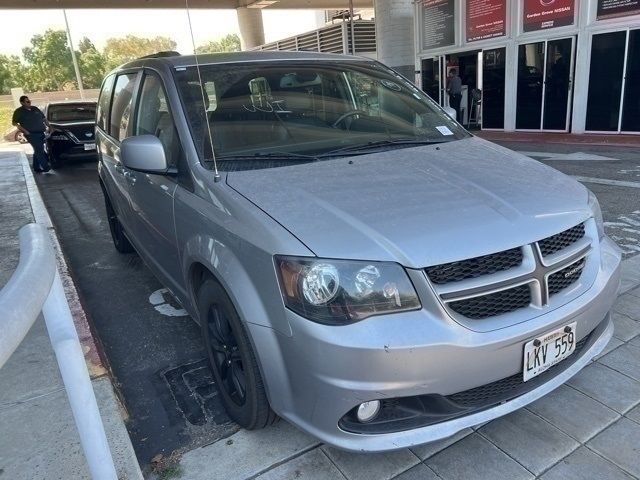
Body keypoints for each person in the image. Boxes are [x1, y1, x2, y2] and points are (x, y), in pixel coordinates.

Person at [12, 95, 50, 172]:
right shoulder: (18, 111)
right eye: (27, 101)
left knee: (38, 149)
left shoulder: (35, 109)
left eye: (29, 101)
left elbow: (44, 118)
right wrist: (25, 131)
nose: (29, 102)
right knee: (39, 149)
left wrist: (49, 126)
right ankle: (46, 167)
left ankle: (36, 167)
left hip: (41, 132)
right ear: (22, 102)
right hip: (31, 134)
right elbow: (14, 123)